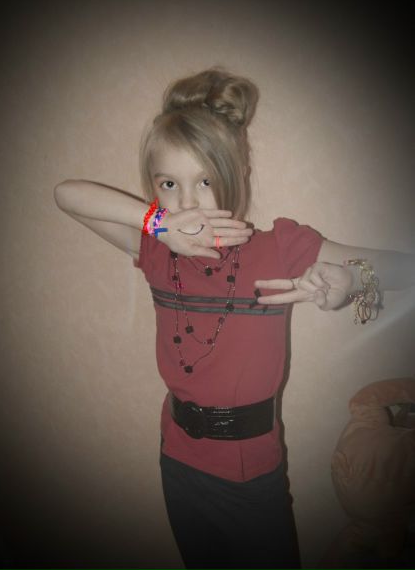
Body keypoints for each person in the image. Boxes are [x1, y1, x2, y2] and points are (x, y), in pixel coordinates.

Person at [53, 67, 415, 569]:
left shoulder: (279, 248)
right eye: (168, 184)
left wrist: (352, 280)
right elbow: (66, 194)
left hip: (251, 477)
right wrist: (157, 224)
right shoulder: (155, 251)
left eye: (204, 180)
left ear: (238, 175)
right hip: (177, 461)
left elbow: (401, 268)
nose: (187, 201)